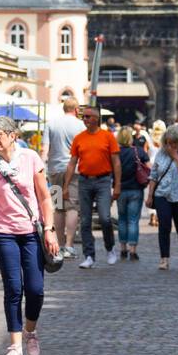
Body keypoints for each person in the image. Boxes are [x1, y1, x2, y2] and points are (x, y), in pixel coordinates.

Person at [0, 116, 58, 355]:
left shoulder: (30, 159)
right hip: (4, 234)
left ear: (13, 136)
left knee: (35, 290)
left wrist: (50, 228)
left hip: (31, 232)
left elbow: (44, 197)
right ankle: (15, 345)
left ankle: (30, 331)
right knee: (13, 289)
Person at [64, 106, 121, 269]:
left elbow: (116, 162)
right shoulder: (79, 138)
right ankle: (89, 255)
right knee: (86, 221)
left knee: (105, 218)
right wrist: (66, 186)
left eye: (88, 116)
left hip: (103, 180)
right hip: (84, 181)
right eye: (84, 117)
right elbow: (72, 163)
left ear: (96, 118)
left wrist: (117, 185)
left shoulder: (108, 137)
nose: (85, 119)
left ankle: (110, 248)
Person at [147, 125, 178, 270]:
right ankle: (164, 258)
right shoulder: (160, 154)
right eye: (168, 143)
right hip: (162, 195)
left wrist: (175, 155)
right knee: (164, 227)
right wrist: (150, 195)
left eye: (174, 143)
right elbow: (154, 176)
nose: (170, 146)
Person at [44, 97, 85, 259]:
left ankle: (59, 245)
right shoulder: (81, 126)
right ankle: (69, 245)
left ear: (63, 108)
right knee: (73, 207)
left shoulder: (51, 124)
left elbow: (44, 148)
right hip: (74, 170)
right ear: (76, 110)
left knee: (58, 207)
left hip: (54, 170)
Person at [116, 127, 148, 261]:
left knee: (122, 219)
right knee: (133, 220)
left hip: (120, 189)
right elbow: (149, 168)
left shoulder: (116, 153)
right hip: (136, 189)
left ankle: (123, 249)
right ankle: (133, 250)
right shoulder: (139, 151)